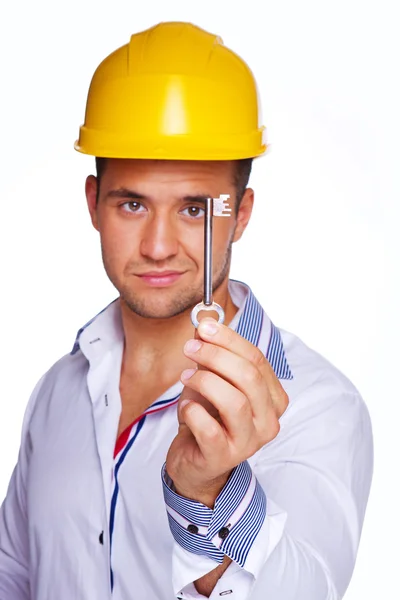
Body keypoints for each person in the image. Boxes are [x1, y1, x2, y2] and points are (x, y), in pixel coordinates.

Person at [0, 21, 373, 600]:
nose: (157, 245)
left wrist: (208, 497)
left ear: (241, 215)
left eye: (195, 210)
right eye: (131, 204)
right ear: (93, 205)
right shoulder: (58, 391)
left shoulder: (319, 405)